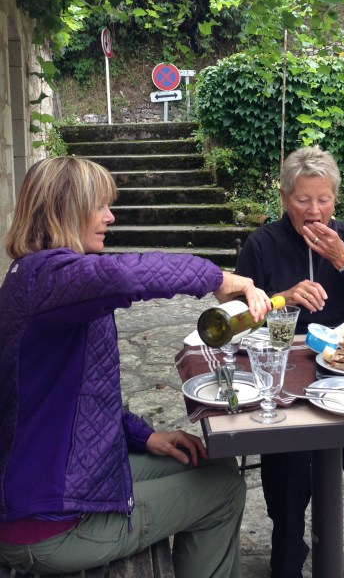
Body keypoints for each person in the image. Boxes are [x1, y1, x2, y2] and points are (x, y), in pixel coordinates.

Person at [0, 156, 272, 578]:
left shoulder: (38, 279)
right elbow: (127, 277)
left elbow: (78, 397)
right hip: (47, 524)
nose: (110, 217)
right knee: (223, 491)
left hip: (63, 482)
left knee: (209, 460)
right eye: (100, 206)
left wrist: (146, 436)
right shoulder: (50, 279)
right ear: (64, 209)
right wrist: (221, 279)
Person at [236, 145, 344, 578]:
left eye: (323, 199)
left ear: (335, 199)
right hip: (285, 373)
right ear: (285, 198)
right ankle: (287, 558)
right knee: (287, 466)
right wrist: (280, 298)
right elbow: (235, 319)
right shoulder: (262, 244)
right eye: (303, 200)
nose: (314, 211)